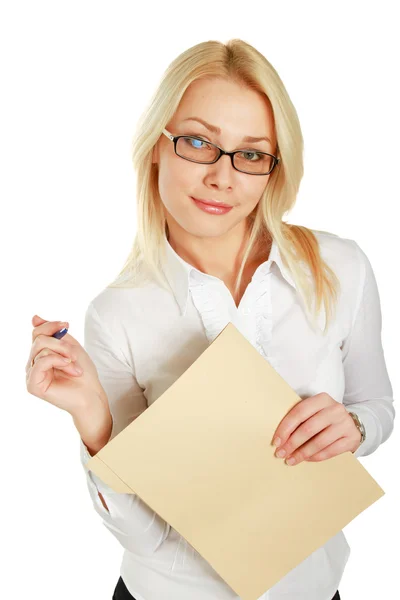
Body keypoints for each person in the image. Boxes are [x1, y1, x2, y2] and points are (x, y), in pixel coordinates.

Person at [25, 38, 394, 600]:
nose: (224, 178)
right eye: (199, 142)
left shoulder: (340, 268)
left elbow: (378, 406)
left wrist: (357, 428)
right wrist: (94, 421)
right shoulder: (117, 313)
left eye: (251, 154)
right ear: (157, 145)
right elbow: (145, 537)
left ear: (274, 166)